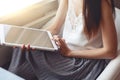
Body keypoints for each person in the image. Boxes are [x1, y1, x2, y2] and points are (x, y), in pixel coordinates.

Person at [8, 0, 118, 80]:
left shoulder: (102, 3)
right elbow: (55, 28)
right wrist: (32, 37)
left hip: (84, 63)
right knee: (22, 47)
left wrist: (70, 52)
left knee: (30, 52)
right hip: (64, 53)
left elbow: (110, 51)